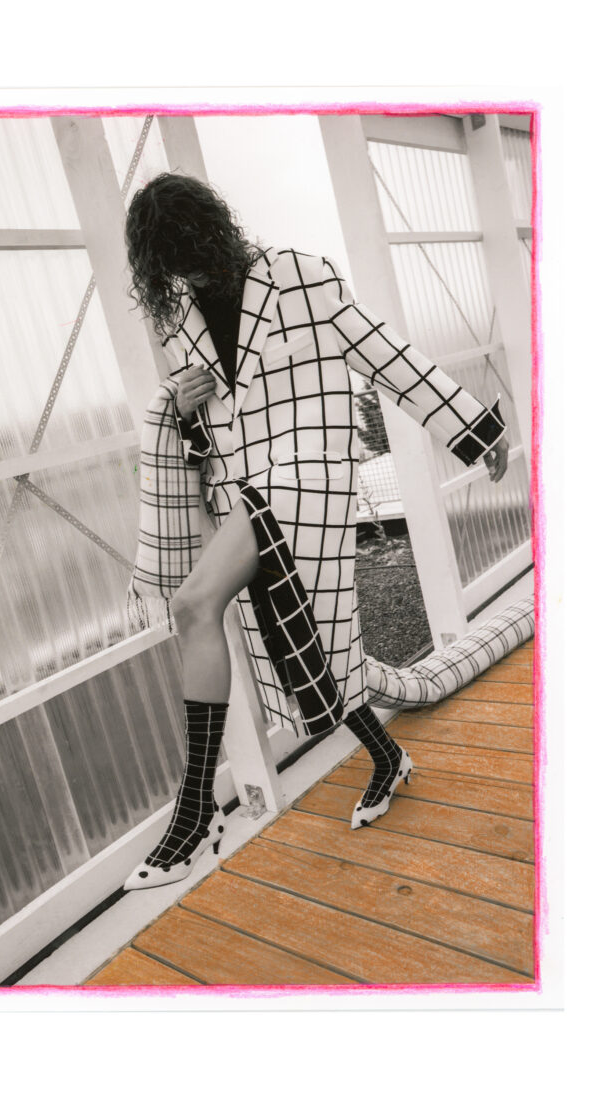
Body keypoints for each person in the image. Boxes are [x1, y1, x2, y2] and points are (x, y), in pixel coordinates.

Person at [121, 172, 509, 891]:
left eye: (193, 254)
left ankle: (196, 809)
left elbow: (389, 357)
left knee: (195, 605)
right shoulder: (180, 326)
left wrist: (474, 428)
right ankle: (387, 756)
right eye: (173, 265)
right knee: (305, 644)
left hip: (312, 481)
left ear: (214, 231)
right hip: (248, 495)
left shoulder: (303, 277)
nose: (190, 274)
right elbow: (209, 440)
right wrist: (179, 411)